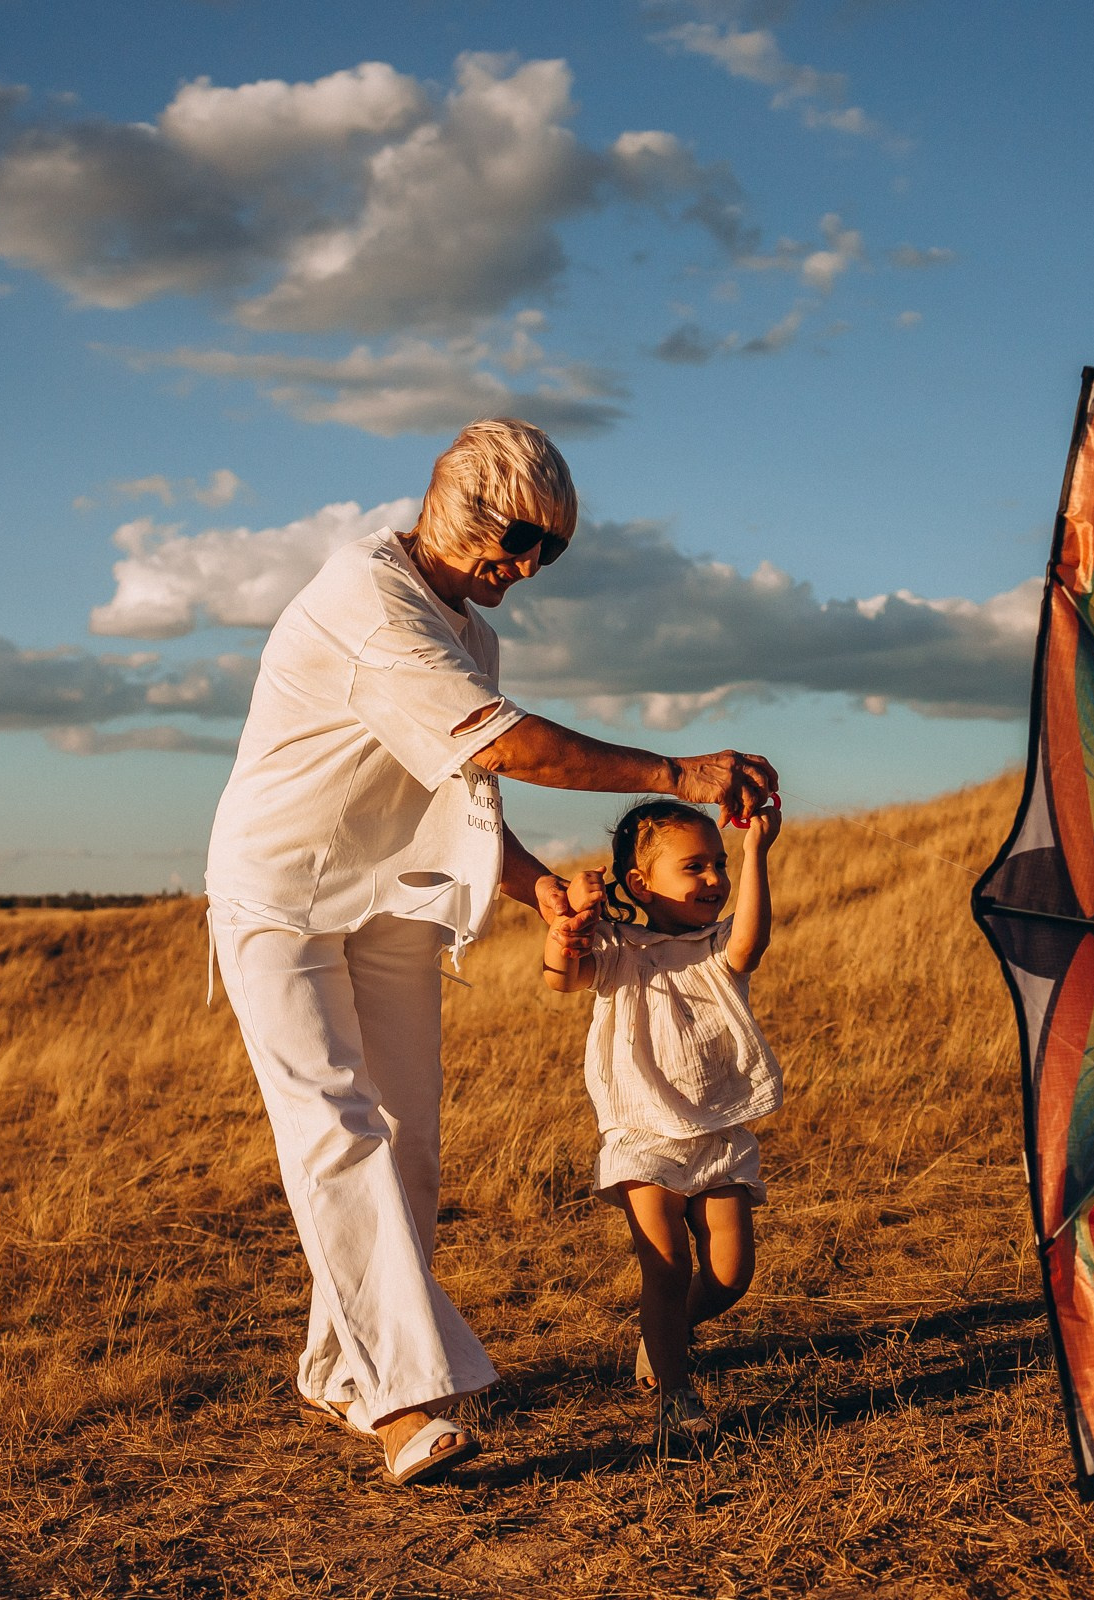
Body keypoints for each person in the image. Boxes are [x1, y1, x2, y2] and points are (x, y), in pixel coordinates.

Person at [203, 418, 779, 1487]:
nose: (524, 568)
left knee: (411, 1149)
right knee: (338, 1128)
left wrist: (540, 889)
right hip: (277, 897)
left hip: (386, 904)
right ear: (456, 509)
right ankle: (401, 1403)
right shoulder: (367, 602)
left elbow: (460, 794)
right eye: (517, 541)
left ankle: (338, 1364)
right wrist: (680, 771)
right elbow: (506, 740)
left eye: (546, 552)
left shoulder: (471, 637)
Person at [542, 797, 782, 1441]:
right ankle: (677, 1398)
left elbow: (753, 941)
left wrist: (757, 852)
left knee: (730, 1276)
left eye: (719, 866)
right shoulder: (617, 945)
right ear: (642, 884)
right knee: (668, 1264)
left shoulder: (716, 944)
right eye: (694, 867)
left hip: (718, 1131)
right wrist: (570, 921)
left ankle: (666, 1334)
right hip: (642, 1132)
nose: (713, 879)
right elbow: (562, 978)